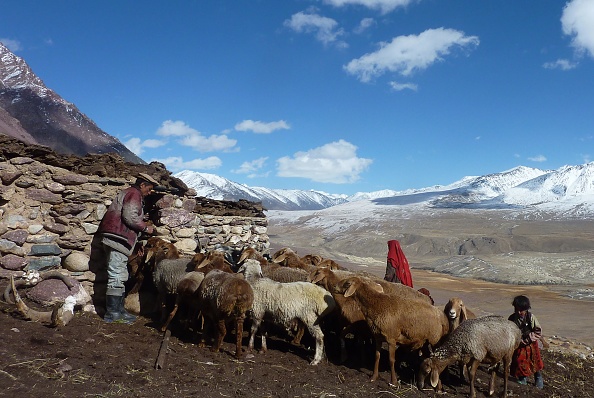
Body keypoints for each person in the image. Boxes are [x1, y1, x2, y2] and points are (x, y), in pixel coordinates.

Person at [97, 173, 158, 323]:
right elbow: (130, 217)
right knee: (117, 273)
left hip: (117, 236)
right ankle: (112, 313)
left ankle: (119, 309)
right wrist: (146, 228)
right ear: (142, 185)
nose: (149, 193)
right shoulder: (134, 194)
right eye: (149, 189)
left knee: (120, 273)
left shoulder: (130, 193)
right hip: (118, 236)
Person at [508, 295, 544, 389]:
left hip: (531, 343)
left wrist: (528, 339)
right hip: (519, 344)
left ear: (526, 309)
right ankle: (523, 377)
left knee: (535, 361)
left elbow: (538, 331)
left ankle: (538, 377)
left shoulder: (531, 317)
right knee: (520, 360)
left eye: (521, 310)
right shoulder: (511, 319)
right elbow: (509, 331)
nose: (519, 312)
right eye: (517, 309)